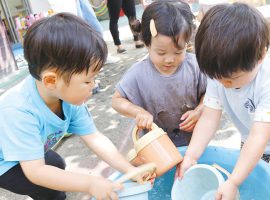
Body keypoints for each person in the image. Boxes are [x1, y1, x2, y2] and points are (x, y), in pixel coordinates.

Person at [0, 13, 147, 200]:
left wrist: (128, 169)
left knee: (56, 164)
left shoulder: (68, 97)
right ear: (51, 80)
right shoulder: (18, 111)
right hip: (4, 163)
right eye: (87, 81)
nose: (93, 85)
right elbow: (35, 172)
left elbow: (94, 137)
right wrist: (90, 183)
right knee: (47, 187)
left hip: (25, 150)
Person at [178, 3, 270, 200]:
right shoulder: (220, 73)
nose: (223, 84)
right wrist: (191, 156)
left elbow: (259, 137)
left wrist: (234, 181)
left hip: (261, 137)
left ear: (261, 55)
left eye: (231, 79)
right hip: (251, 141)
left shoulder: (267, 82)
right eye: (217, 78)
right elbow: (209, 118)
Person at [112, 0, 207, 147]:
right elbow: (117, 101)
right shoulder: (138, 74)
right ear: (147, 44)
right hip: (158, 147)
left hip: (195, 143)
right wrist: (138, 112)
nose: (169, 59)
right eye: (161, 52)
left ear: (187, 44)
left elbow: (210, 93)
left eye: (178, 52)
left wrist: (200, 110)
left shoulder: (195, 66)